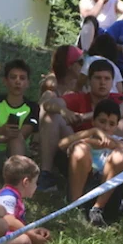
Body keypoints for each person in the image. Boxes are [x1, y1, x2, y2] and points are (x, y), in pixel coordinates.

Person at [58, 99, 123, 226]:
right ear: (93, 121)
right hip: (83, 189)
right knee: (80, 149)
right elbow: (61, 144)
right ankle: (75, 207)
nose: (106, 127)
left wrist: (105, 143)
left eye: (111, 124)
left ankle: (97, 209)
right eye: (102, 122)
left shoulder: (118, 141)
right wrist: (92, 133)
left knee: (120, 155)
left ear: (116, 126)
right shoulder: (85, 137)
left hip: (108, 196)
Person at [37, 45, 86, 192]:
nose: (83, 65)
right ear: (69, 65)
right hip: (62, 138)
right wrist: (63, 111)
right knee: (50, 112)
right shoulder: (52, 86)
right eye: (80, 62)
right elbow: (46, 103)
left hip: (83, 138)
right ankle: (45, 174)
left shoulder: (85, 83)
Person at [0, 155, 52, 244]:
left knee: (36, 242)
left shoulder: (13, 195)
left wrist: (34, 232)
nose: (36, 186)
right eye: (35, 182)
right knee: (25, 240)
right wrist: (31, 234)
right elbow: (9, 220)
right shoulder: (8, 196)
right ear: (26, 182)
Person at [0, 59, 39, 179]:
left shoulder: (32, 107)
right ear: (5, 81)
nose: (18, 81)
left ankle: (18, 182)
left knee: (15, 138)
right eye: (13, 77)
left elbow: (23, 133)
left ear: (28, 83)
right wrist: (0, 132)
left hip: (18, 152)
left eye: (22, 78)